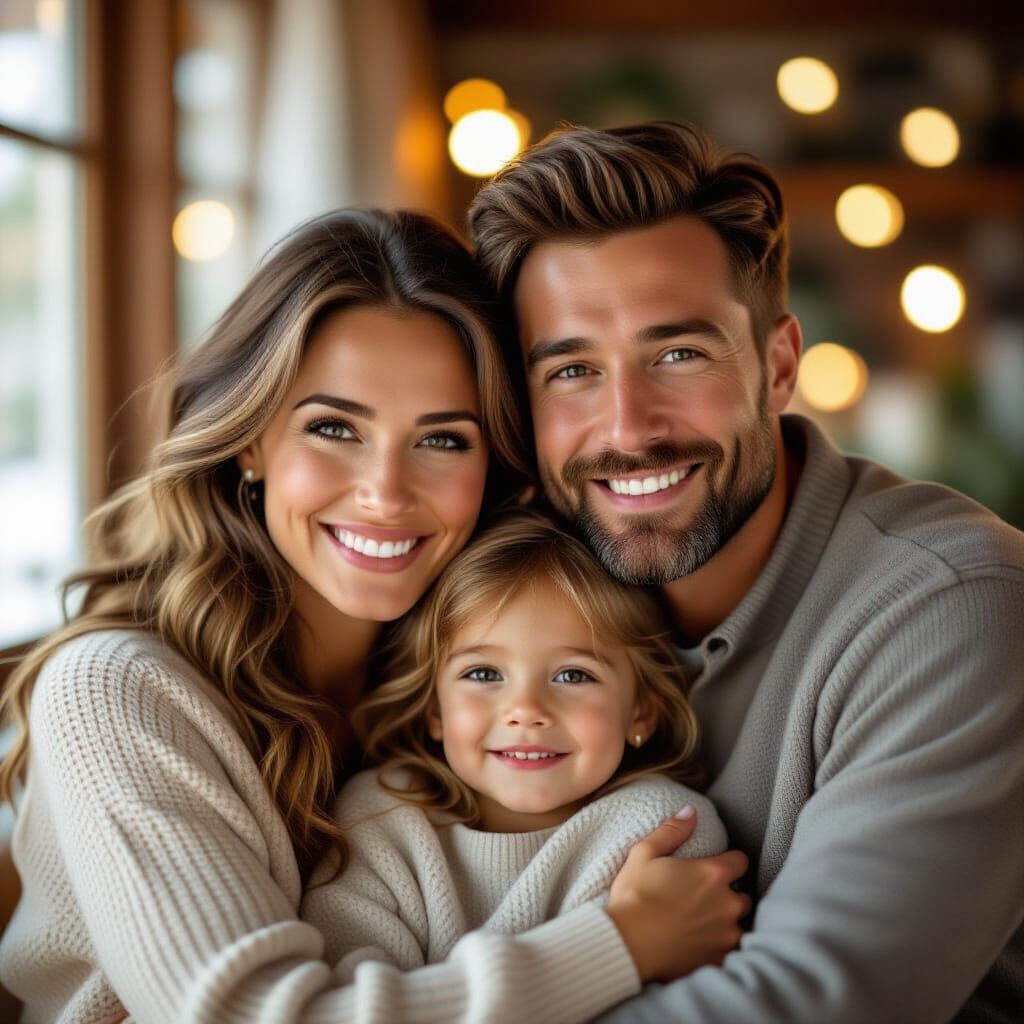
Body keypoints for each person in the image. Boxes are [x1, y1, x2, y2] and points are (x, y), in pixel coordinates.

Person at [0, 209, 746, 1023]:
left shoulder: (463, 676)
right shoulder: (115, 690)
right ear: (250, 440)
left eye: (444, 441)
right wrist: (620, 944)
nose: (386, 493)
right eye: (334, 429)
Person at [469, 121, 1024, 1023]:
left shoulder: (956, 605)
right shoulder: (509, 596)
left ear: (777, 365)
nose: (627, 427)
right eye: (571, 370)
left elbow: (804, 1010)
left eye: (677, 354)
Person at [301, 508, 730, 978]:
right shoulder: (381, 818)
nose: (526, 709)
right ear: (436, 709)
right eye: (483, 673)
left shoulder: (662, 831)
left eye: (573, 674)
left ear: (640, 711)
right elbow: (357, 1004)